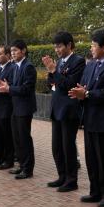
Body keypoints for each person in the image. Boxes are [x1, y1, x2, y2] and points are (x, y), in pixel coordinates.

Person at [69, 29, 104, 207]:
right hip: (91, 118)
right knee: (92, 157)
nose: (91, 48)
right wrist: (80, 91)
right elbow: (85, 84)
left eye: (94, 45)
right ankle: (95, 191)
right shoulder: (92, 64)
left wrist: (86, 93)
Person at [42, 32, 85, 192]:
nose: (57, 49)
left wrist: (54, 71)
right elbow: (51, 82)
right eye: (55, 46)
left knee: (68, 146)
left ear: (69, 45)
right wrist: (52, 73)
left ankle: (71, 180)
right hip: (56, 108)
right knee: (57, 146)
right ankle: (61, 176)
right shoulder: (59, 62)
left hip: (69, 109)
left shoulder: (78, 61)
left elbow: (70, 84)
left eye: (59, 46)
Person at [0, 40, 37, 180]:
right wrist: (6, 86)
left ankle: (28, 169)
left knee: (24, 138)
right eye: (12, 51)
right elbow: (13, 85)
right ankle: (20, 165)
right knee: (17, 138)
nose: (13, 53)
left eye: (15, 50)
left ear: (24, 51)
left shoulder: (28, 67)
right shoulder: (15, 67)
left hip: (25, 108)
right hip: (15, 107)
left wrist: (9, 88)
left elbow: (27, 88)